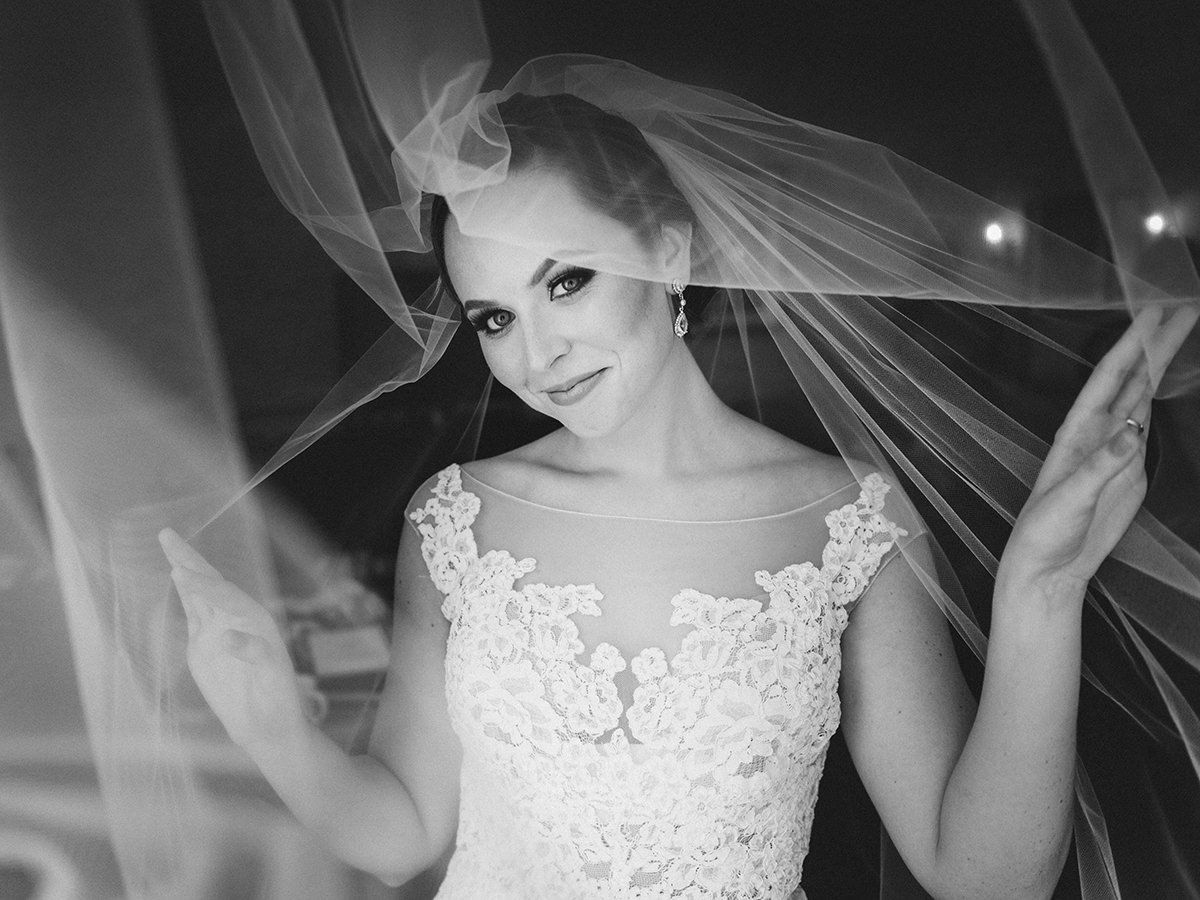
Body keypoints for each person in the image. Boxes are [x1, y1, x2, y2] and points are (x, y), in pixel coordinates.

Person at [160, 78, 1199, 897]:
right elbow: (402, 835)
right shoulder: (457, 520)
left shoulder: (849, 523)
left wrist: (1040, 597)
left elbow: (983, 879)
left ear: (667, 251)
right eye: (494, 318)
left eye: (567, 281)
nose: (538, 352)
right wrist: (268, 724)